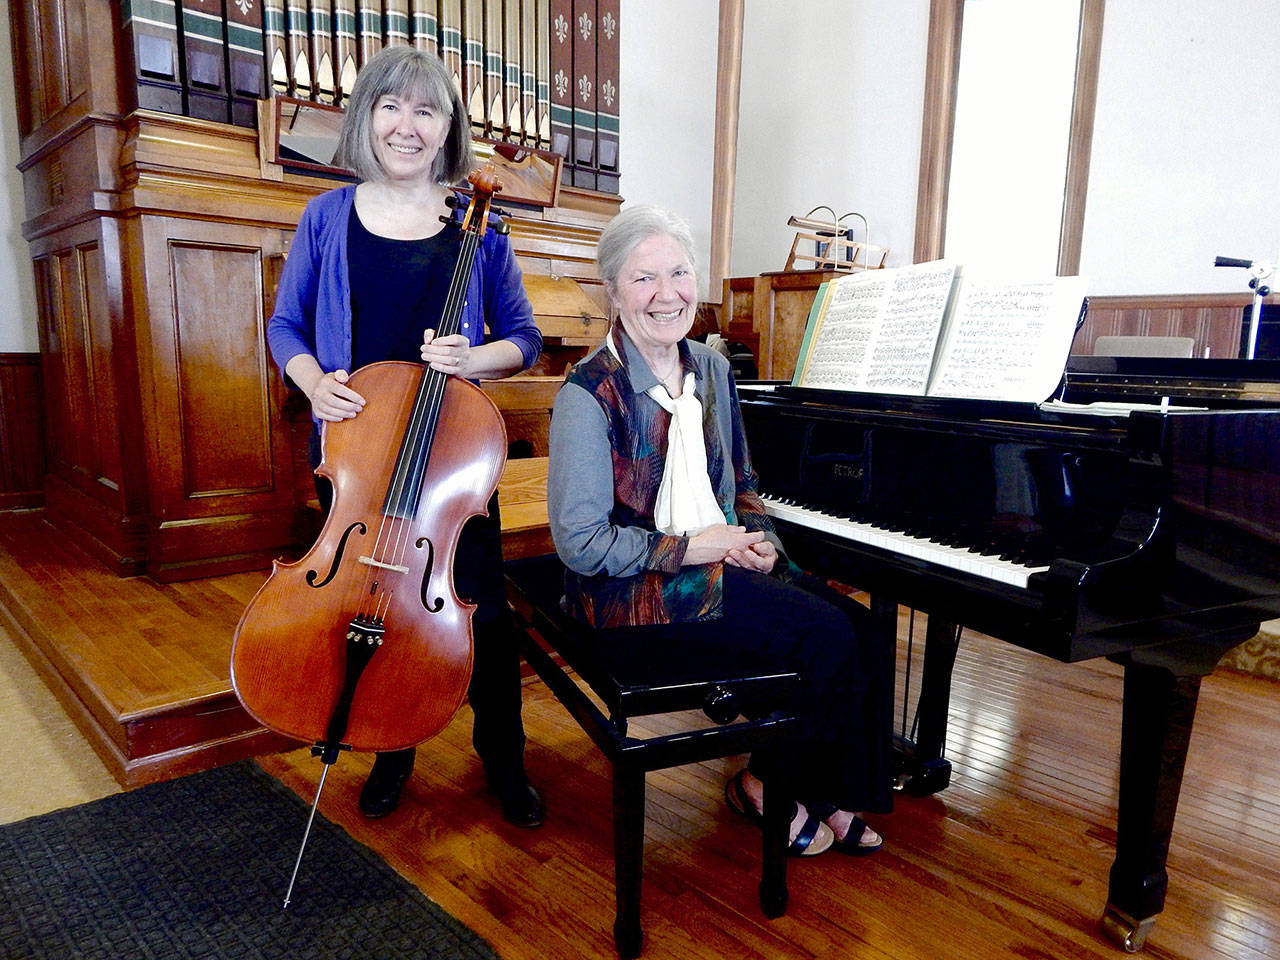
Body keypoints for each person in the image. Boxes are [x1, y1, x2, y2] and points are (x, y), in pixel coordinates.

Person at [546, 205, 892, 856]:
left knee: (866, 629)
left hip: (720, 559)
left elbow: (742, 482)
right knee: (820, 632)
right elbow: (582, 544)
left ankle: (832, 793)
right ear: (612, 289)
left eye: (679, 273)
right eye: (643, 278)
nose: (667, 293)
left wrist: (760, 541)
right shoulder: (587, 396)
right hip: (628, 594)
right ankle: (766, 785)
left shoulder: (711, 368)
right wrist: (697, 548)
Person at [266, 45, 545, 827]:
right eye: (392, 106)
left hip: (450, 464)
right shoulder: (325, 216)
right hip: (360, 460)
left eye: (426, 110)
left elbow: (522, 337)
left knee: (483, 620)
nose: (407, 125)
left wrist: (472, 355)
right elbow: (286, 324)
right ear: (367, 118)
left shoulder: (478, 222)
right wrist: (315, 380)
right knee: (373, 608)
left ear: (448, 125)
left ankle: (505, 758)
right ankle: (393, 748)